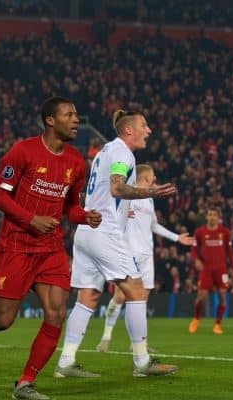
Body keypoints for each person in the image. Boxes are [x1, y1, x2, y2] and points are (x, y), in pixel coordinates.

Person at [0, 96, 102, 400]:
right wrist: (31, 219)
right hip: (16, 246)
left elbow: (69, 208)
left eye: (75, 114)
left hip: (50, 249)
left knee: (56, 313)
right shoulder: (23, 151)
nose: (75, 120)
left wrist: (85, 217)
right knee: (4, 320)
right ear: (50, 120)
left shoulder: (75, 162)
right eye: (69, 115)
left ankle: (25, 383)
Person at [56, 110, 178, 378]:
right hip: (105, 231)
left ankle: (66, 361)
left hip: (87, 231)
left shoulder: (104, 151)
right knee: (136, 291)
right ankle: (142, 361)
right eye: (144, 126)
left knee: (88, 296)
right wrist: (149, 192)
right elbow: (116, 187)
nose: (149, 131)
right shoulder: (123, 153)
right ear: (128, 131)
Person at [96, 164, 195, 352]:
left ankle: (139, 343)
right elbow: (108, 211)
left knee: (143, 298)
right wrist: (120, 214)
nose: (155, 178)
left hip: (146, 255)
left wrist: (177, 238)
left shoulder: (149, 199)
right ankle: (106, 337)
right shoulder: (127, 194)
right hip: (128, 251)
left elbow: (154, 226)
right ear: (145, 177)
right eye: (153, 175)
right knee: (120, 296)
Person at [188, 206, 233, 335]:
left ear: (218, 217)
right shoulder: (199, 232)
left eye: (214, 214)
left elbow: (230, 252)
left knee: (222, 295)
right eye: (209, 214)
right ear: (206, 217)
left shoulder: (224, 232)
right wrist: (196, 260)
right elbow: (193, 249)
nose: (212, 217)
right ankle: (196, 318)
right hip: (206, 269)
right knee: (201, 296)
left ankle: (217, 324)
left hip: (221, 269)